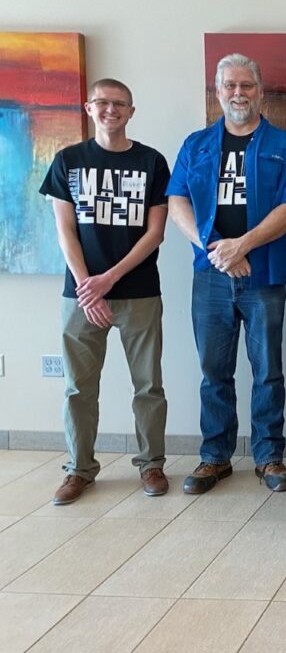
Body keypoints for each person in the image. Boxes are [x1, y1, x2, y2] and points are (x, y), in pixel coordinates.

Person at [167, 53, 286, 494]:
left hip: (264, 274)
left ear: (260, 91)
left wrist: (243, 246)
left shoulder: (285, 146)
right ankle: (215, 457)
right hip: (210, 274)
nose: (238, 93)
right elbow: (178, 204)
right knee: (214, 370)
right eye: (229, 85)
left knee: (268, 369)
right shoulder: (195, 145)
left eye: (246, 85)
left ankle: (269, 456)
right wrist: (218, 251)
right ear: (218, 92)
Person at [40, 78, 171, 504]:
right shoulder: (67, 161)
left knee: (149, 384)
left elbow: (154, 234)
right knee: (79, 387)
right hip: (80, 295)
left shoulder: (152, 162)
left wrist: (109, 279)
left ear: (131, 111)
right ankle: (79, 469)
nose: (111, 110)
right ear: (88, 108)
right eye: (102, 103)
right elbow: (65, 231)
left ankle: (151, 465)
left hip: (138, 291)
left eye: (120, 104)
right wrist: (88, 288)